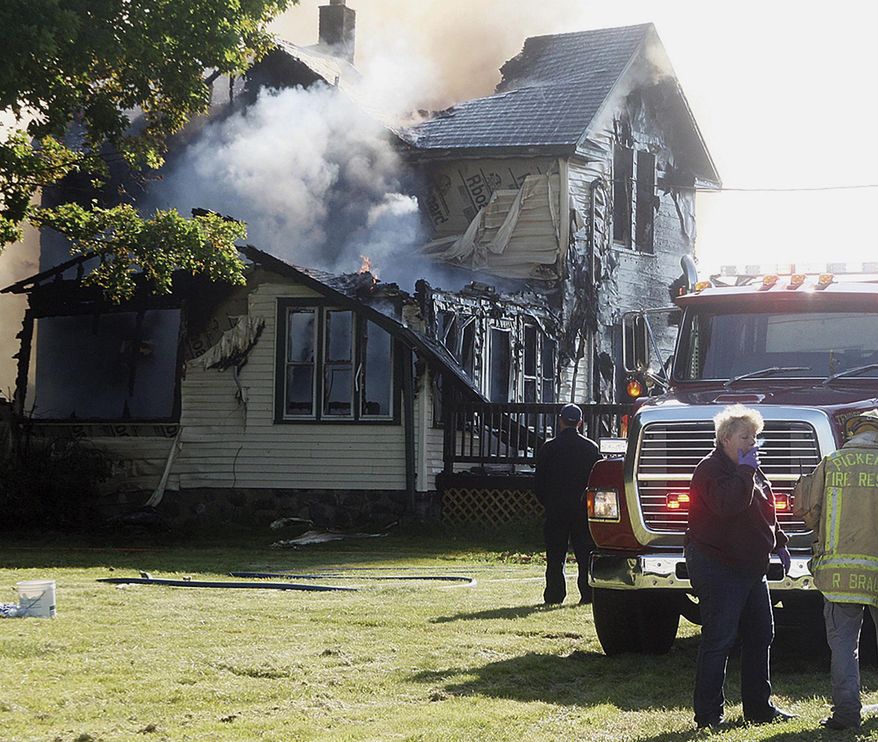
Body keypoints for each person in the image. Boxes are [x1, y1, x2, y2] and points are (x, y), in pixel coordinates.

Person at [684, 404, 794, 729]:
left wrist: (780, 542)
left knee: (762, 633)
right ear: (726, 438)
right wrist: (745, 472)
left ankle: (759, 708)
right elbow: (728, 507)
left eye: (755, 436)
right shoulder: (710, 470)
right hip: (718, 563)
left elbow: (764, 508)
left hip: (750, 566)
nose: (752, 442)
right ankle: (708, 715)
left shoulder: (751, 469)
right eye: (745, 436)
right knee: (719, 638)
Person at [793, 409, 878, 730]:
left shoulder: (832, 463)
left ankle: (846, 714)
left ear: (854, 432)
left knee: (844, 646)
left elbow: (806, 512)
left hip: (838, 575)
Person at [534, 402, 602, 605]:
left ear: (560, 420)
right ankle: (587, 593)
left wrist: (547, 501)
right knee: (584, 553)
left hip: (556, 507)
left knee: (555, 555)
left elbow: (539, 482)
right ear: (580, 422)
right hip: (582, 509)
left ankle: (554, 594)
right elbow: (596, 481)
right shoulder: (591, 448)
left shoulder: (549, 447)